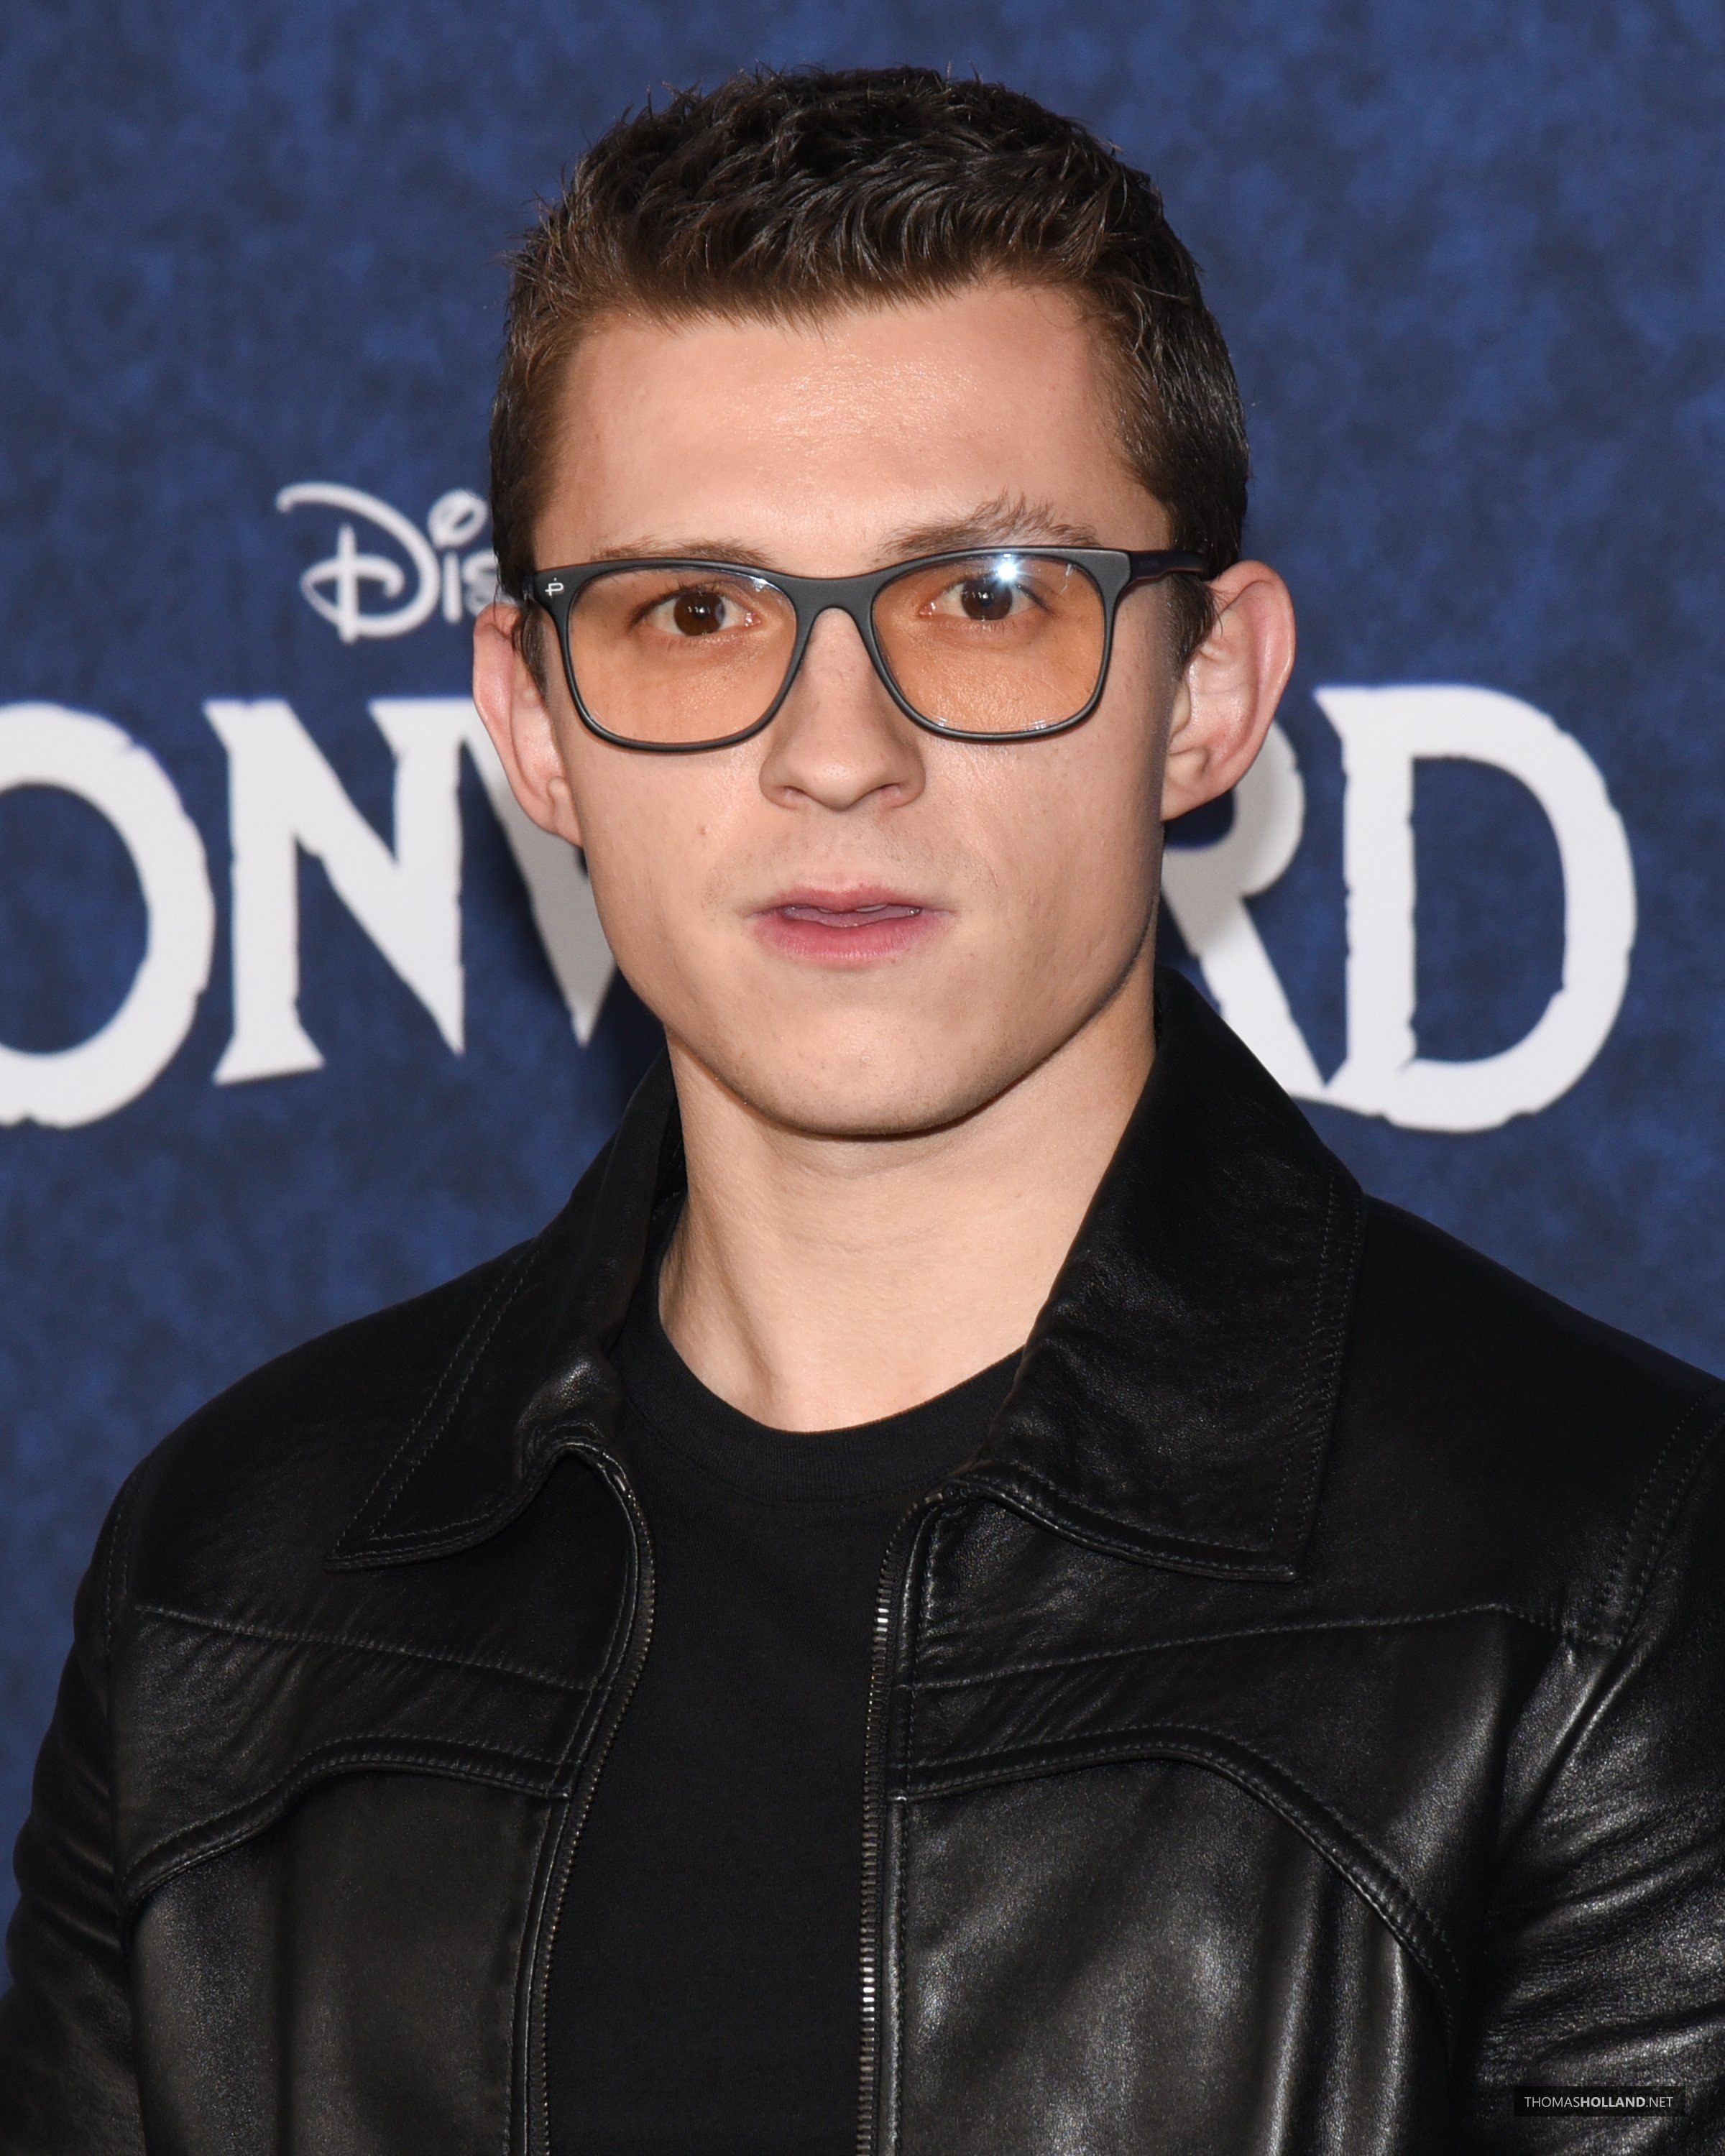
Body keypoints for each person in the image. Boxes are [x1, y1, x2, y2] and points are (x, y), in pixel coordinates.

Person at [3, 64, 1722, 2156]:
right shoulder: (227, 1587)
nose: (838, 751)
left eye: (984, 600)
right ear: (532, 724)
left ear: (1209, 694)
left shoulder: (1612, 1584)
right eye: (694, 612)